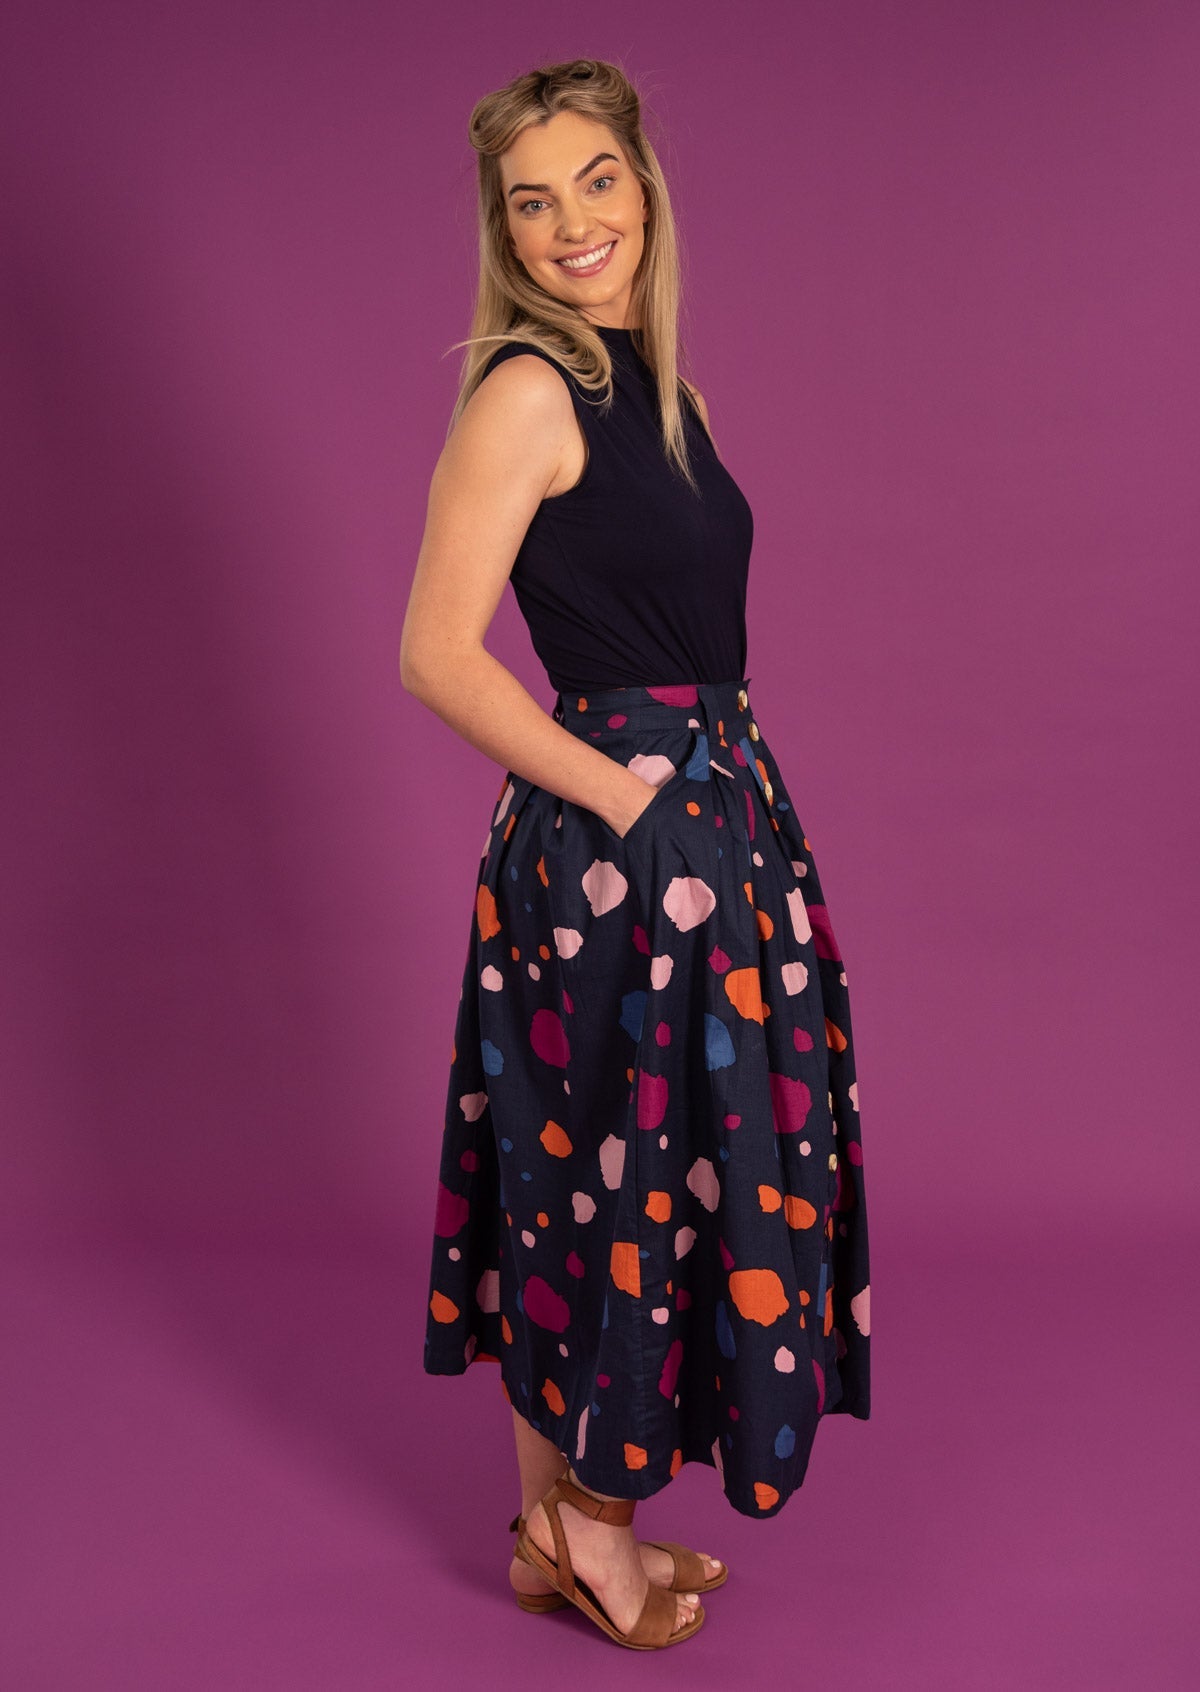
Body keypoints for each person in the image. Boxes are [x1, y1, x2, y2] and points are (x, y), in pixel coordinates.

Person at [402, 58, 871, 1651]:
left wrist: (701, 799)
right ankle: (591, 1529)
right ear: (506, 232)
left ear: (647, 189)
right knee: (609, 1169)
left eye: (595, 182)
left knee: (608, 1157)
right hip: (620, 841)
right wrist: (620, 798)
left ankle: (554, 1533)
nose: (571, 224)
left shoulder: (664, 394)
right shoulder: (526, 390)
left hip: (713, 813)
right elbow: (434, 653)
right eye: (533, 201)